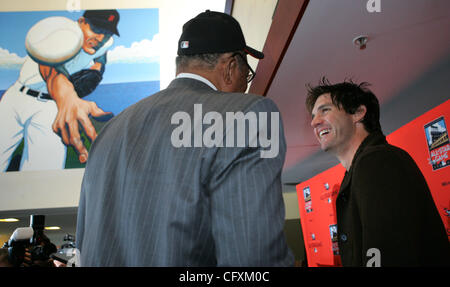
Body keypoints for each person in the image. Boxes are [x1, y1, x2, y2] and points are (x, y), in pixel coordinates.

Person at [76, 10, 294, 266]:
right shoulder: (246, 114)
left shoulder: (110, 132)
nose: (245, 87)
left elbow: (83, 249)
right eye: (246, 76)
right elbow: (254, 261)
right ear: (231, 67)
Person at [306, 78, 450, 266]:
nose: (314, 123)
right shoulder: (364, 167)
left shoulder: (376, 161)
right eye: (313, 115)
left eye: (325, 110)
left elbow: (389, 254)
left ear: (358, 113)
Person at [0, 10, 119, 172]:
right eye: (96, 29)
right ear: (81, 21)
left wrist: (98, 70)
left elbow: (101, 56)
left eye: (106, 32)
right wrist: (67, 95)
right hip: (17, 100)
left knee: (45, 173)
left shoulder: (105, 43)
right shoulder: (61, 33)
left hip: (50, 106)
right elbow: (50, 70)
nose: (100, 37)